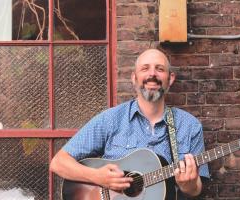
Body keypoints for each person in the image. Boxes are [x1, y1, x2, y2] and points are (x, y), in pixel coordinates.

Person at [50, 49, 209, 199]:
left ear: (170, 78)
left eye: (159, 69)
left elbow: (196, 190)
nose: (152, 74)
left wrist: (188, 185)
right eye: (145, 69)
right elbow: (59, 163)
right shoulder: (111, 119)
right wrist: (98, 177)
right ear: (134, 78)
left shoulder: (189, 126)